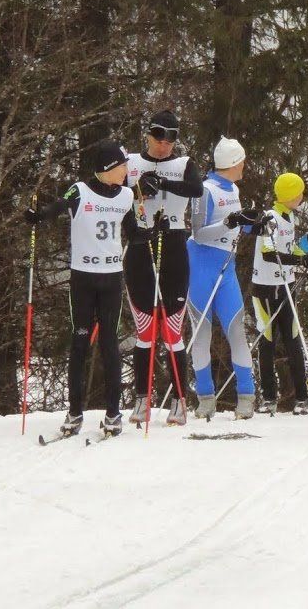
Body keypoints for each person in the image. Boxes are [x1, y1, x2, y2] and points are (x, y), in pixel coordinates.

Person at [23, 141, 135, 437]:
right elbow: (58, 207)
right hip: (83, 279)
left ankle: (113, 414)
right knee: (79, 342)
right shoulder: (80, 191)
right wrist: (38, 216)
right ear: (109, 168)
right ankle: (74, 413)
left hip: (111, 279)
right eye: (123, 165)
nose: (126, 170)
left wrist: (154, 231)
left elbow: (134, 233)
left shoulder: (126, 195)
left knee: (110, 344)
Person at [125, 110, 203, 425]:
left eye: (171, 138)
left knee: (172, 331)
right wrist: (139, 188)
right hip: (140, 246)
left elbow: (196, 189)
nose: (164, 144)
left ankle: (179, 401)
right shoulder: (130, 163)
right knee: (145, 331)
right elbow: (114, 195)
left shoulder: (184, 164)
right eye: (159, 136)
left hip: (173, 246)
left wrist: (164, 184)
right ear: (148, 134)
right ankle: (142, 400)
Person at [187, 137, 264, 420]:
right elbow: (198, 233)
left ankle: (246, 396)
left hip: (226, 268)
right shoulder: (204, 190)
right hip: (201, 267)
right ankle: (205, 398)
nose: (244, 165)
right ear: (233, 162)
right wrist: (230, 221)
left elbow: (235, 227)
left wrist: (253, 225)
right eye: (242, 161)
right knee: (202, 333)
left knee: (236, 330)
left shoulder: (234, 188)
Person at [251, 172, 308, 415]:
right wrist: (299, 261)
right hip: (264, 287)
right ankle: (268, 398)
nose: (302, 196)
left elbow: (289, 249)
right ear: (290, 195)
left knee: (293, 340)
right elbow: (268, 254)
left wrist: (307, 259)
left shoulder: (289, 216)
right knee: (267, 341)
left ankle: (302, 398)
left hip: (285, 285)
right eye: (299, 192)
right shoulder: (271, 218)